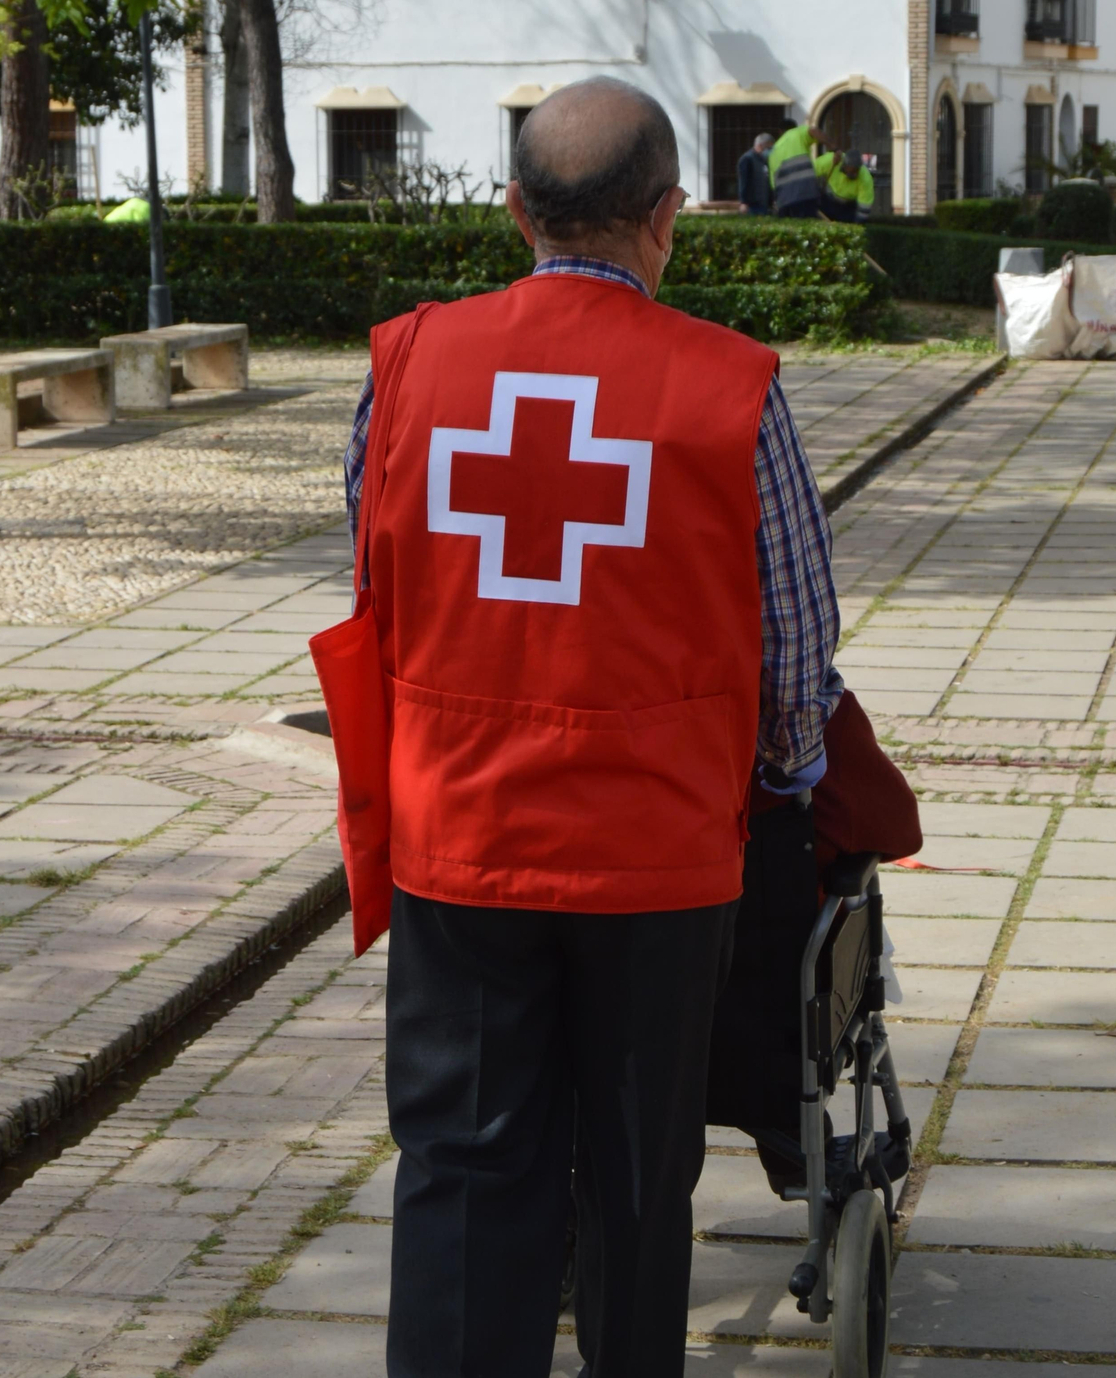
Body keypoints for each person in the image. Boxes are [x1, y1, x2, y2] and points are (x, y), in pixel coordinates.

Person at [339, 76, 842, 1378]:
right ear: (668, 216)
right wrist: (789, 778)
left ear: (516, 212)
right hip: (657, 864)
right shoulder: (731, 391)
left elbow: (375, 589)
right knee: (635, 1176)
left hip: (459, 841)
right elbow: (795, 645)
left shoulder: (407, 369)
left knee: (459, 1170)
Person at [767, 116, 829, 217]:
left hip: (785, 200)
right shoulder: (798, 133)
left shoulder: (773, 151)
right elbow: (814, 131)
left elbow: (773, 183)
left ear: (780, 131)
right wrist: (832, 146)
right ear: (795, 128)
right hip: (806, 194)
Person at [816, 147, 876, 223]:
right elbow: (811, 172)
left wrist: (857, 225)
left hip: (848, 208)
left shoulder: (865, 179)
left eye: (857, 170)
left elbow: (864, 206)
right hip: (827, 201)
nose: (855, 174)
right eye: (853, 171)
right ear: (845, 165)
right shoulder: (830, 161)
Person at [736, 131, 774, 214]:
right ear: (760, 146)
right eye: (768, 148)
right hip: (753, 206)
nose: (770, 151)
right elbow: (744, 182)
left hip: (764, 204)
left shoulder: (764, 160)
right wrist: (744, 202)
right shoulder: (747, 159)